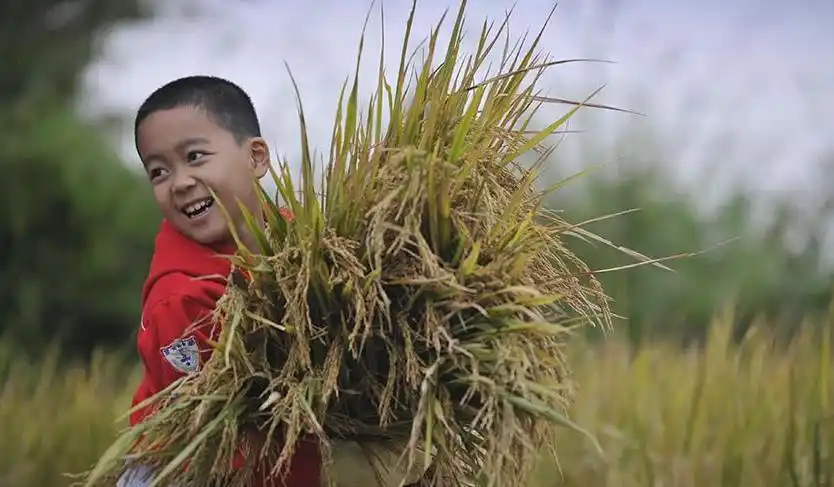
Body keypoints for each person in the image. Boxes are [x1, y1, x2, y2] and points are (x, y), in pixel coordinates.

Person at [119, 75, 430, 487]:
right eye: (159, 172)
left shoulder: (298, 239)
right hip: (184, 470)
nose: (179, 182)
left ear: (257, 158)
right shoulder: (183, 300)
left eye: (195, 156)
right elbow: (216, 440)